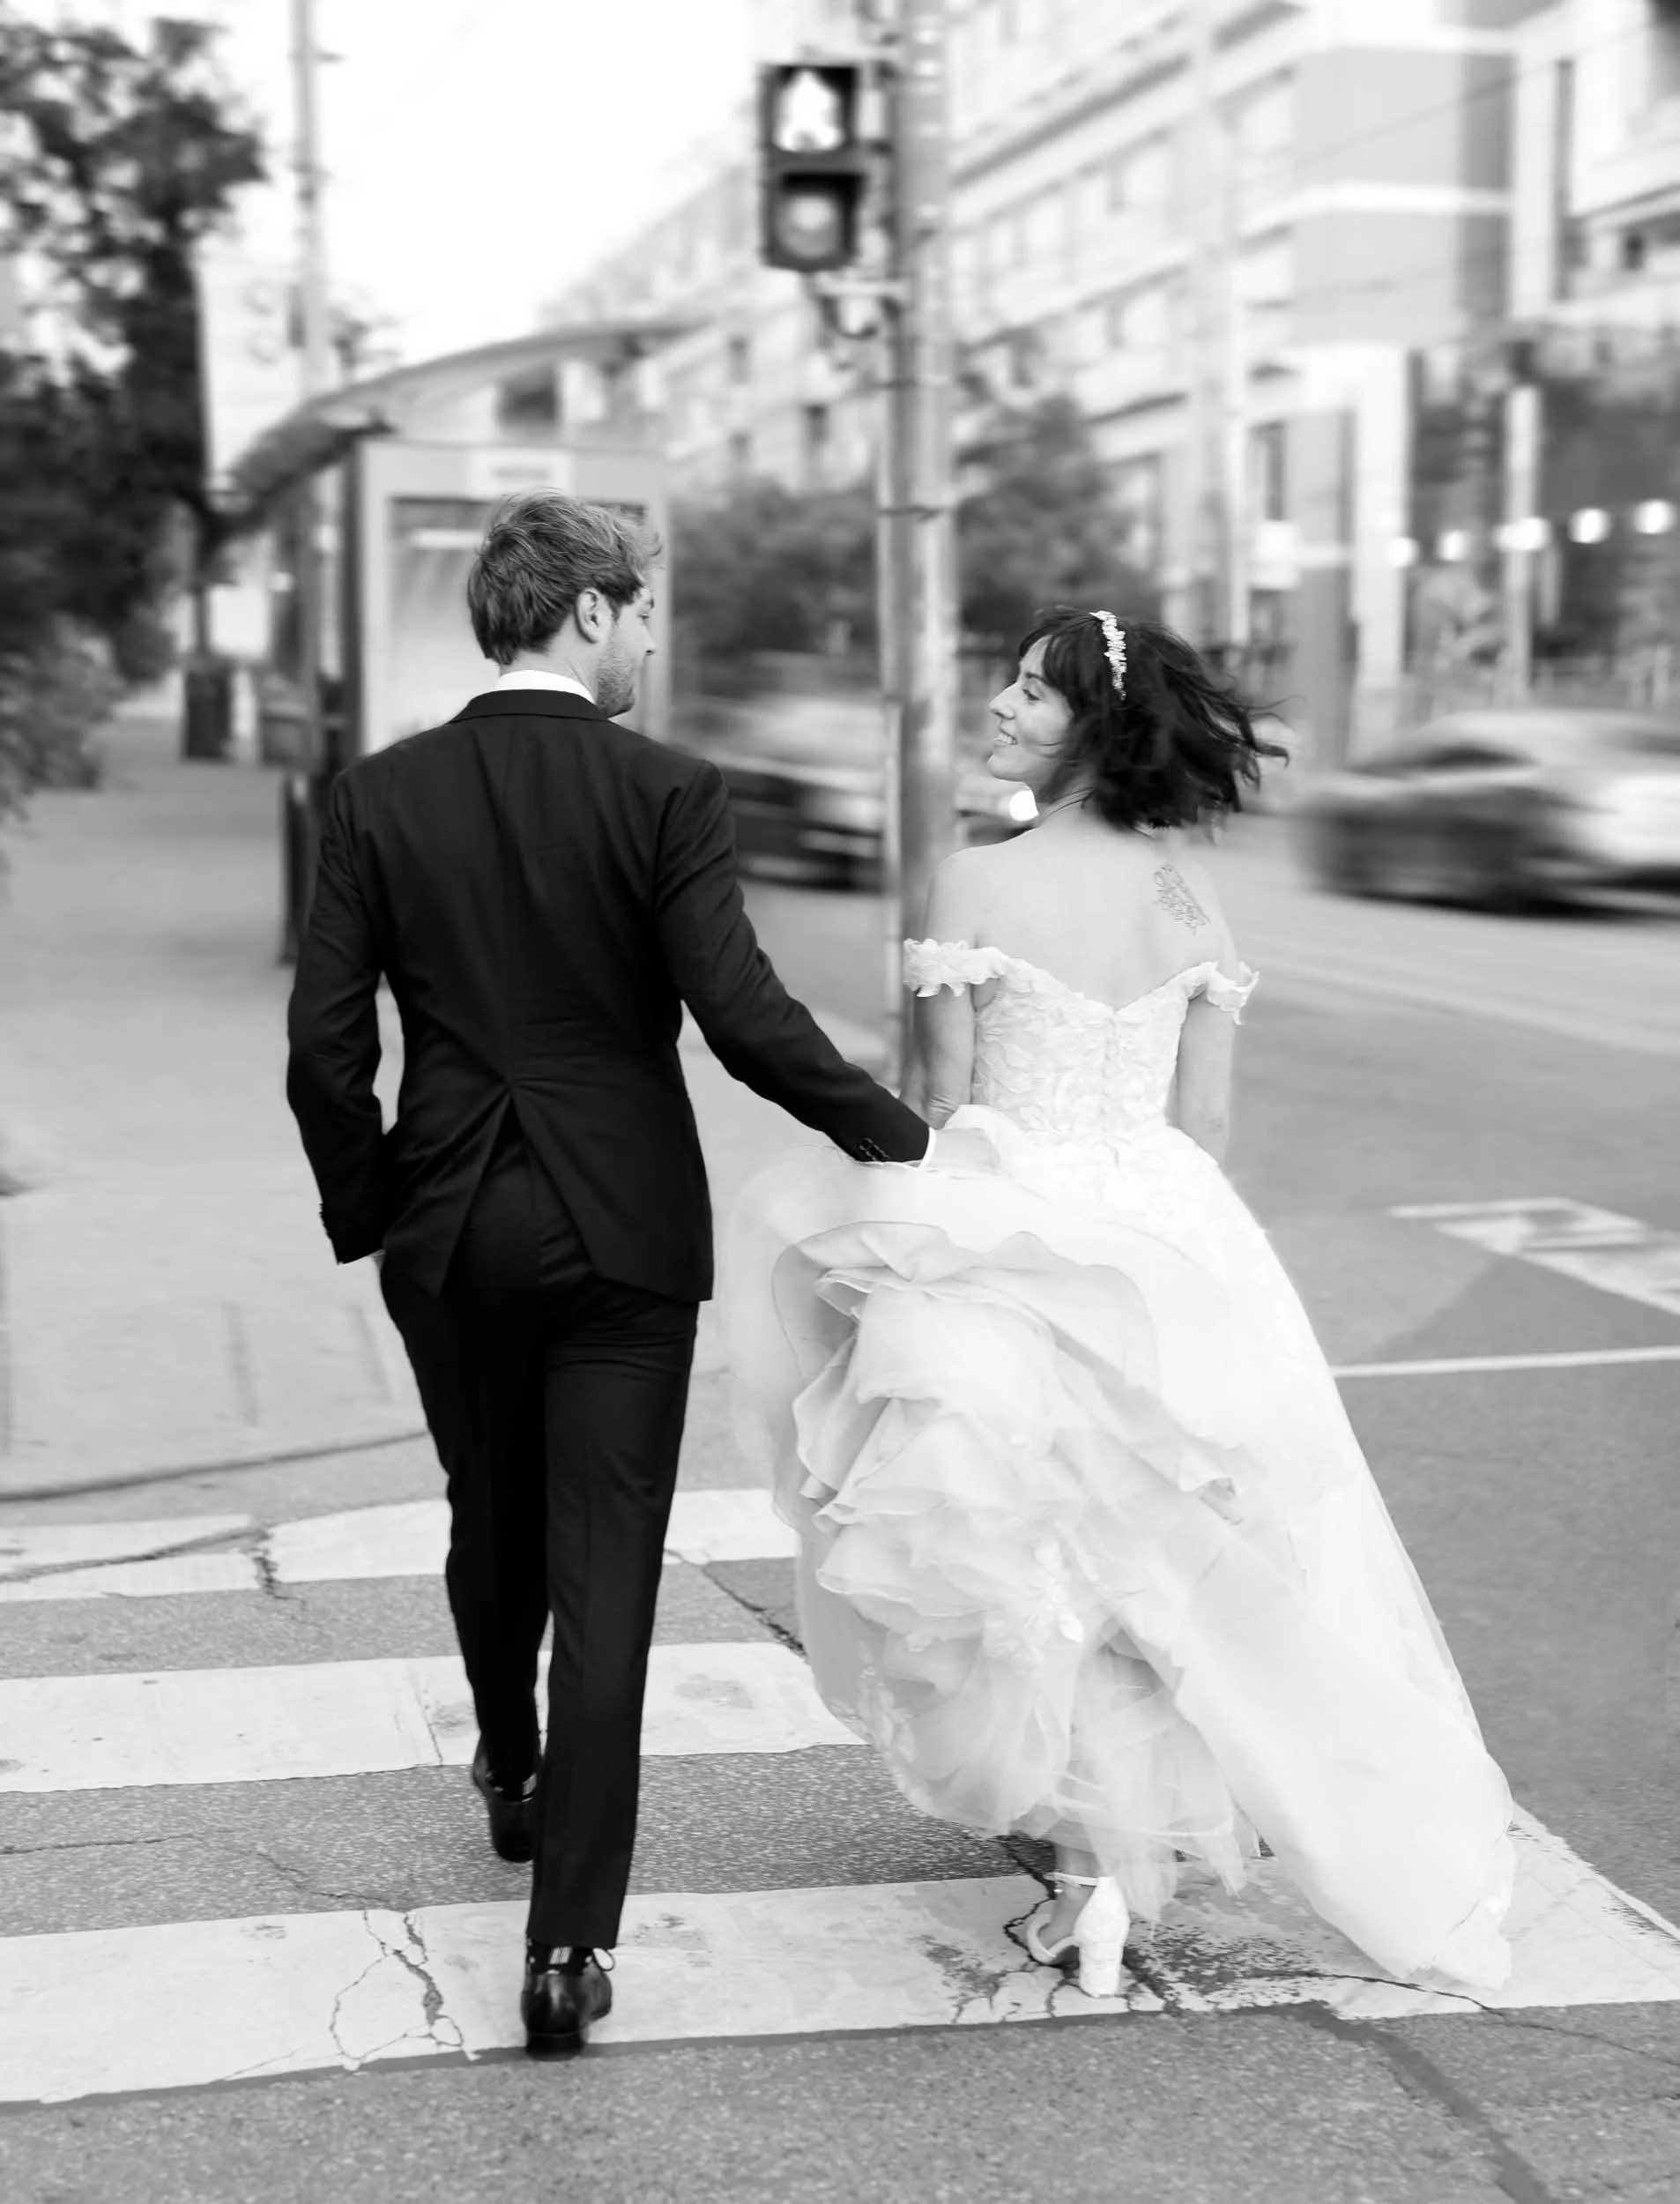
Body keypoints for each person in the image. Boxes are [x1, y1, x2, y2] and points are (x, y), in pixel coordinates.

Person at [285, 490, 992, 2055]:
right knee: (607, 1577)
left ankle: (508, 1765)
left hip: (450, 1225)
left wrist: (377, 1205)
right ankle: (565, 1956)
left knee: (491, 1510)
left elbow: (326, 1050)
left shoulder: (377, 796)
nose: (657, 637)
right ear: (591, 610)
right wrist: (901, 1136)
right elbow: (737, 1013)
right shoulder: (664, 789)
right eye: (650, 608)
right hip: (620, 1233)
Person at [724, 607, 1516, 1999]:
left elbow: (943, 1099)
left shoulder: (972, 879)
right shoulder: (1190, 906)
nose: (1003, 706)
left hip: (1007, 1219)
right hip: (1163, 1237)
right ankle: (1111, 1879)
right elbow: (1203, 1119)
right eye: (1011, 685)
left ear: (1093, 722)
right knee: (1159, 1559)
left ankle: (1089, 1877)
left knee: (1032, 1562)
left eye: (1033, 692)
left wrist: (916, 1239)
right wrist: (1144, 1207)